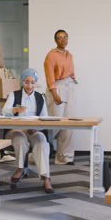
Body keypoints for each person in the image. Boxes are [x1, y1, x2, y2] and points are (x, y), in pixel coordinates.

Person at [2, 68, 54, 194]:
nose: (29, 85)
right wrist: (14, 109)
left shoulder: (40, 98)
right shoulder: (14, 95)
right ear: (22, 82)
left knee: (41, 141)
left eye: (32, 82)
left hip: (33, 130)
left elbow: (45, 119)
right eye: (26, 82)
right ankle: (20, 169)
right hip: (16, 130)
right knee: (20, 138)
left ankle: (46, 177)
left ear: (36, 83)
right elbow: (4, 112)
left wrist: (36, 127)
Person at [43, 29, 77, 165]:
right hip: (57, 87)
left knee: (69, 124)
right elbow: (49, 76)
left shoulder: (69, 55)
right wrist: (55, 93)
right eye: (59, 38)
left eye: (65, 37)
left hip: (69, 86)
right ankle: (40, 151)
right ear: (55, 40)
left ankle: (65, 157)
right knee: (56, 124)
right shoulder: (51, 55)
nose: (63, 40)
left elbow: (71, 72)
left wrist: (74, 83)